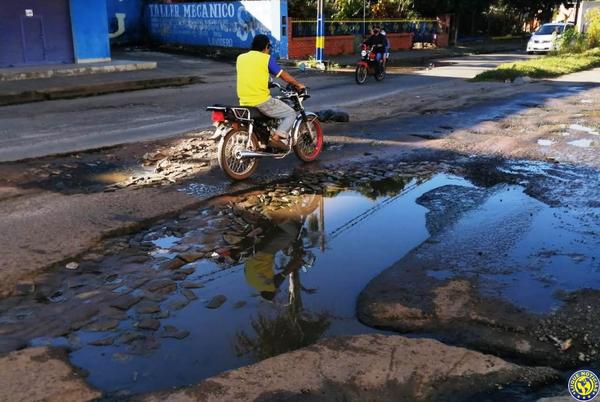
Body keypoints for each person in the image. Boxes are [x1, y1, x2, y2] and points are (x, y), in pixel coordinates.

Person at [236, 34, 305, 150]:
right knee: (291, 113)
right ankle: (276, 139)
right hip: (260, 101)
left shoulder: (240, 58)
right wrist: (297, 84)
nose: (269, 51)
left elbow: (250, 74)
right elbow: (283, 75)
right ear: (266, 46)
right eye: (269, 48)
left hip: (244, 101)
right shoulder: (265, 59)